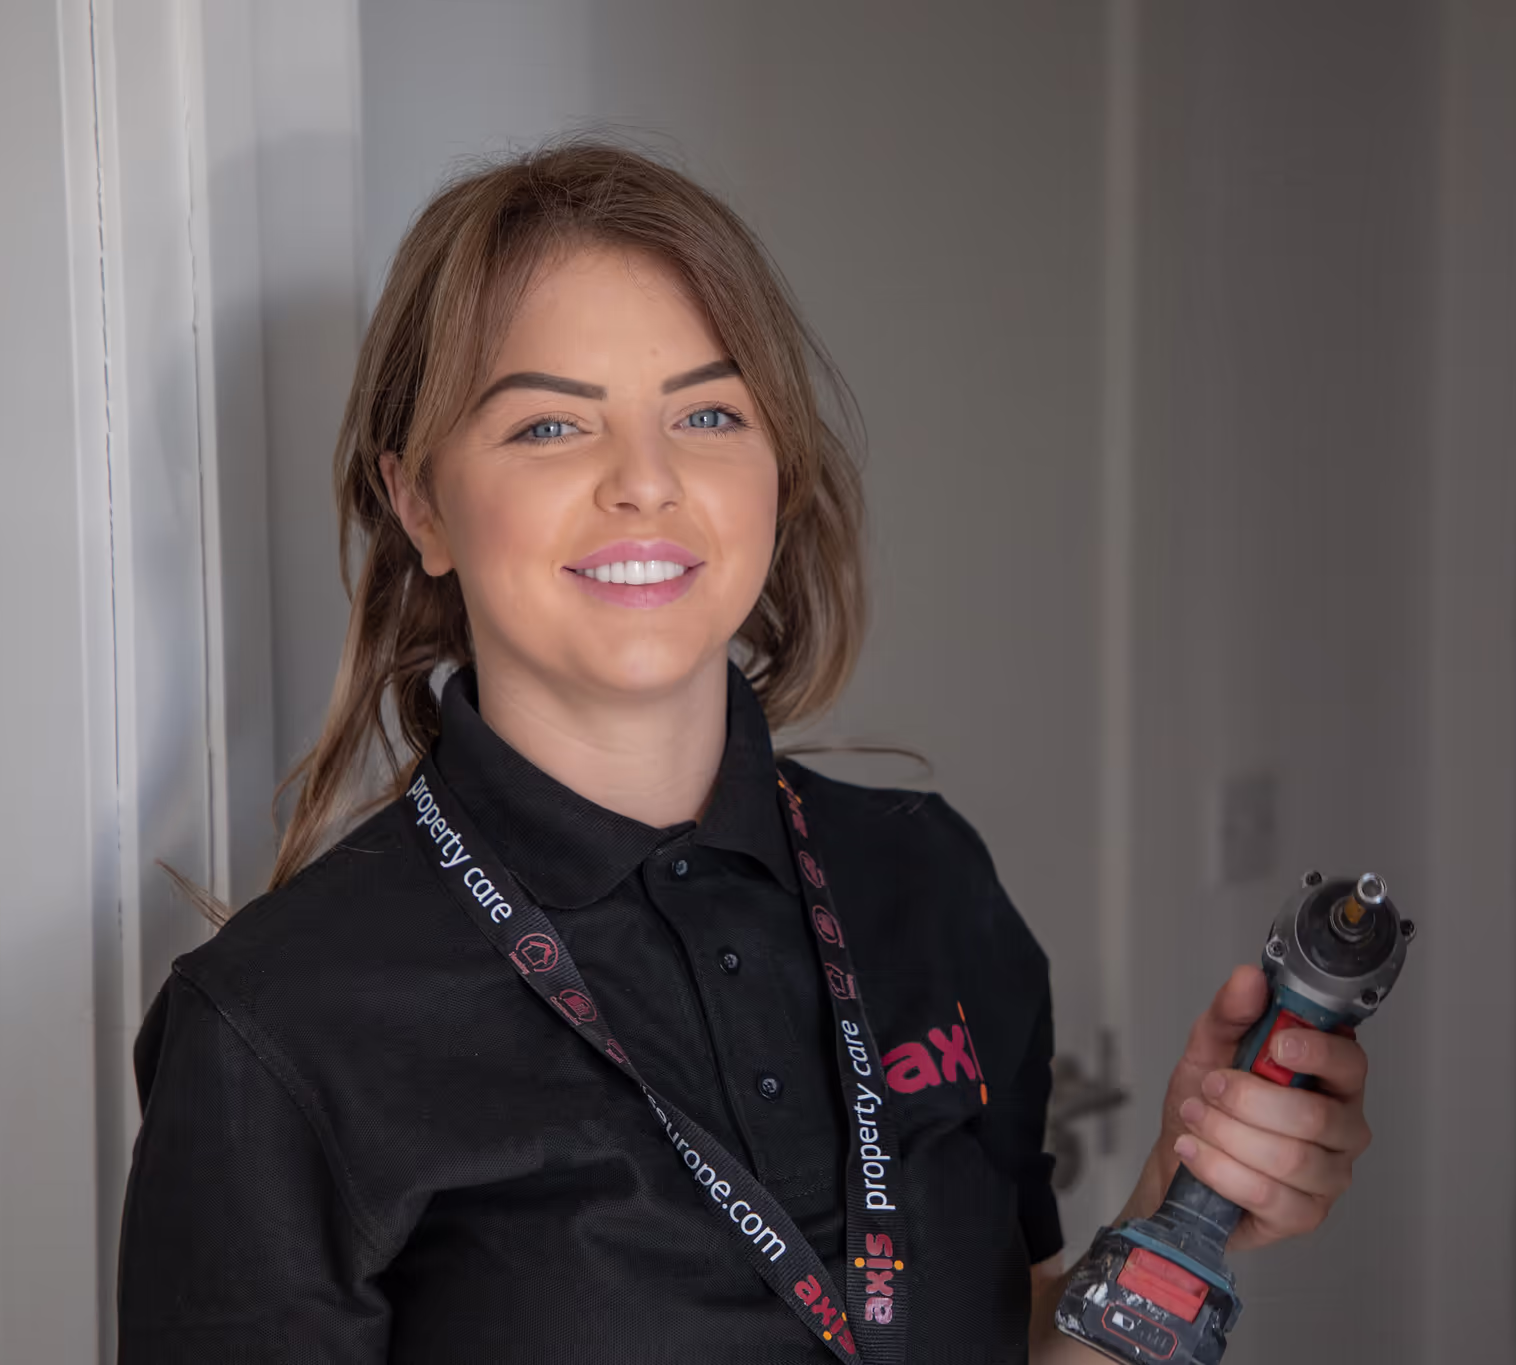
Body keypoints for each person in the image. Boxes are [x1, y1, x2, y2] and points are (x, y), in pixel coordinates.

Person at [115, 141, 1374, 1363]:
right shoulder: (272, 1029)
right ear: (421, 504)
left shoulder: (924, 885)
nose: (644, 484)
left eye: (708, 412)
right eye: (550, 429)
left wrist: (1180, 1202)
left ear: (777, 469)